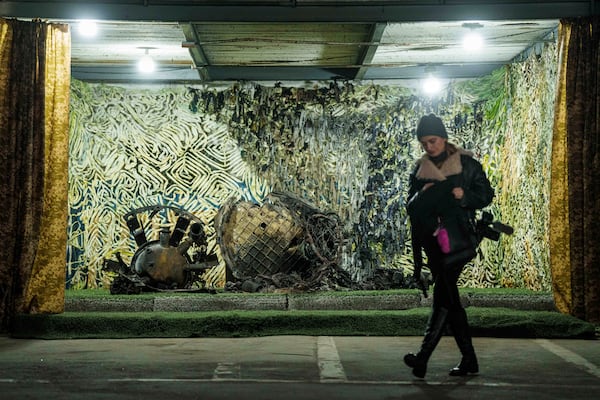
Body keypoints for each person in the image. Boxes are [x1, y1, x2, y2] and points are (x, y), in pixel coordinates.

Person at [404, 113, 494, 379]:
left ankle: (423, 357)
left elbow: (486, 195)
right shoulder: (421, 169)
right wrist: (424, 193)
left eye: (432, 141)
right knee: (447, 299)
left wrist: (464, 195)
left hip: (458, 241)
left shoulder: (466, 164)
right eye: (423, 143)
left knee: (445, 295)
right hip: (434, 243)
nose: (428, 147)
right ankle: (468, 359)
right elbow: (410, 206)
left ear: (443, 138)